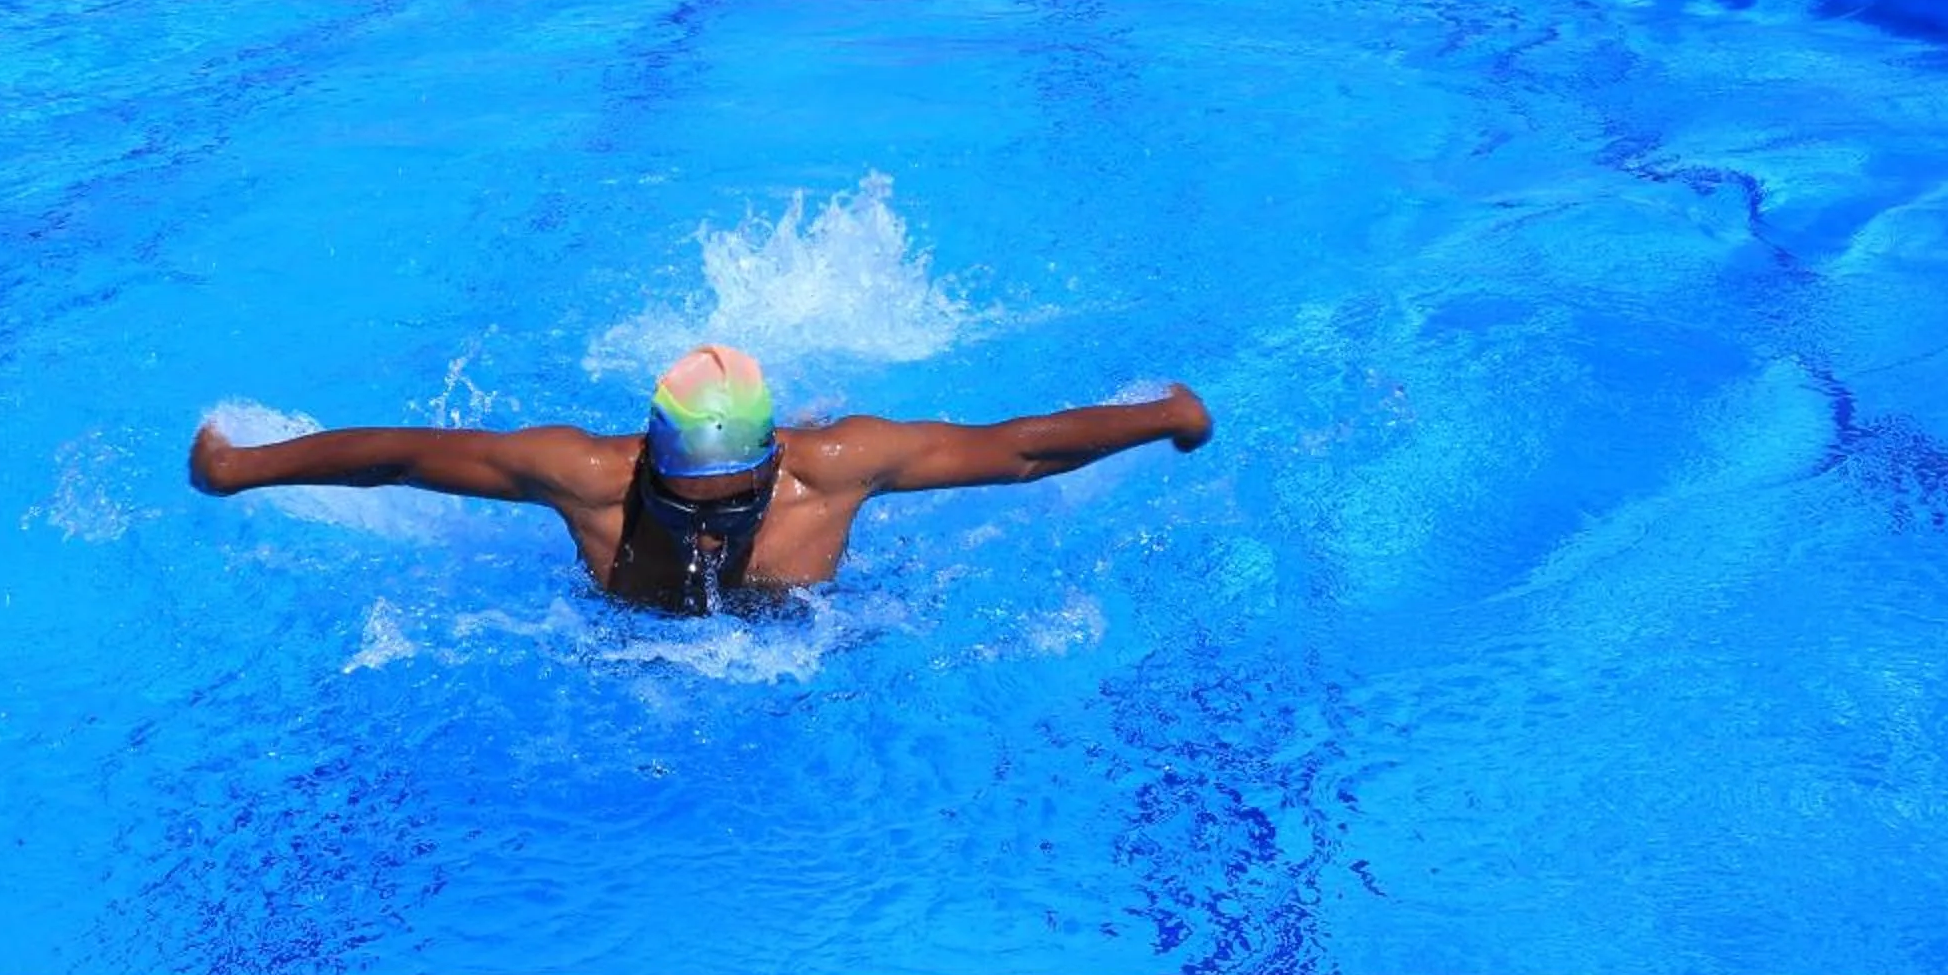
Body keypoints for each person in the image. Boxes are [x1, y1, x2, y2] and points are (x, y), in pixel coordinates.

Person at [189, 344, 1212, 614]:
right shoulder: (589, 477)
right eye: (682, 504)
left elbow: (1019, 448)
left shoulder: (837, 467)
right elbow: (403, 454)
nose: (707, 531)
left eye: (734, 504)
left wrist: (1166, 416)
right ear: (650, 469)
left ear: (775, 465)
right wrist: (239, 468)